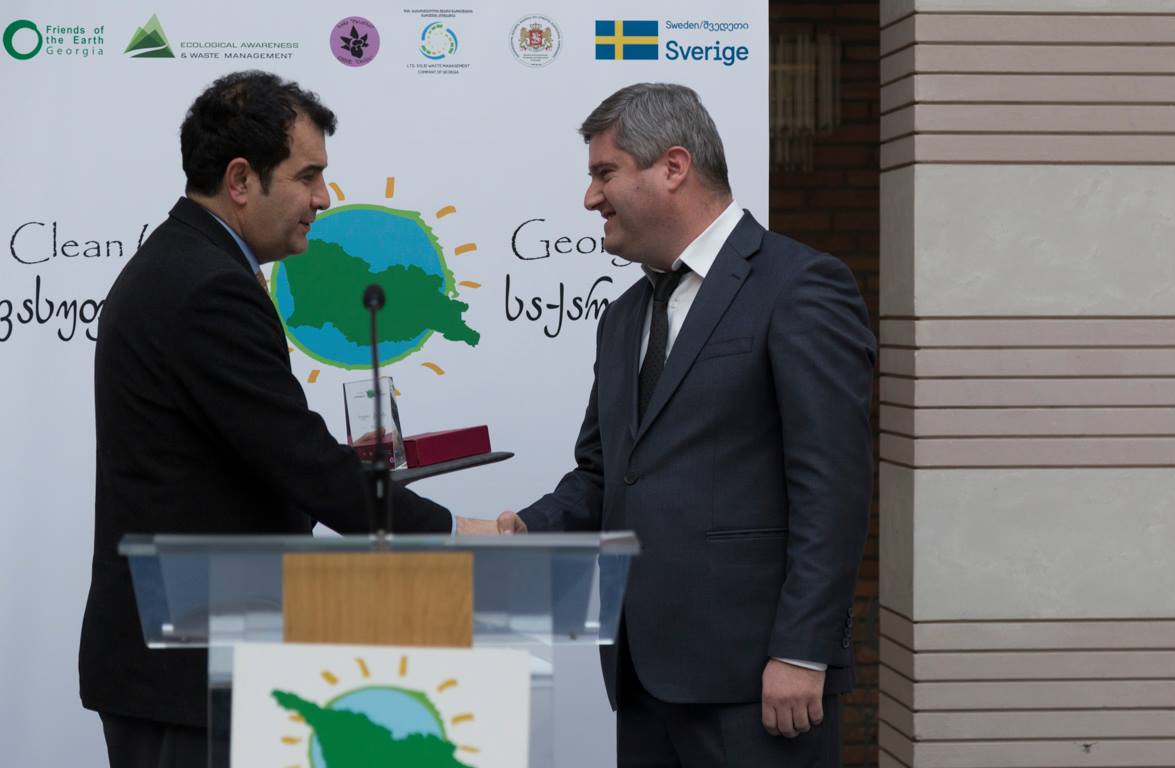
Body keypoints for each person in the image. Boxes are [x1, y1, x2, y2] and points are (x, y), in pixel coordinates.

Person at [79, 70, 491, 768]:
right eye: (308, 176)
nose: (323, 198)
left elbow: (249, 450)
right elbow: (300, 462)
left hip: (188, 661)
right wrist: (453, 532)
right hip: (190, 675)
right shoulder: (209, 286)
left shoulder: (188, 263)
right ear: (241, 180)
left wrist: (338, 465)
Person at [497, 83, 876, 767]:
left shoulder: (800, 286)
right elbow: (607, 472)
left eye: (605, 173)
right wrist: (528, 527)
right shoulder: (622, 317)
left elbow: (833, 488)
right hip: (642, 679)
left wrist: (802, 650)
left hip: (758, 684)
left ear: (673, 167)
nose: (590, 198)